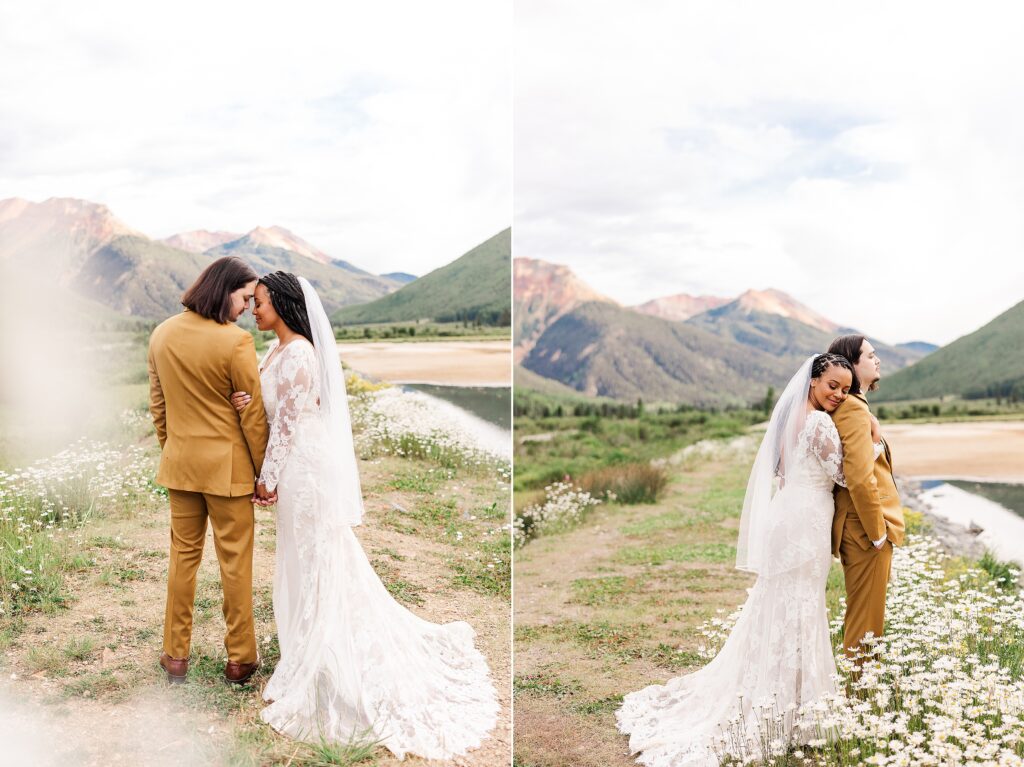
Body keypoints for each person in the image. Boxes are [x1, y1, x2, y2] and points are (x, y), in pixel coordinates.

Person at [231, 271, 498, 760]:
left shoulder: (300, 354)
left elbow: (287, 427)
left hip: (302, 471)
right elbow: (273, 410)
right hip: (293, 469)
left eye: (262, 302)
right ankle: (306, 646)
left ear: (285, 306)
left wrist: (266, 479)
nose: (254, 308)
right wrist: (245, 402)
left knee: (316, 559)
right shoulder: (275, 352)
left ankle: (324, 658)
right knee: (303, 557)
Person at [616, 353, 857, 766]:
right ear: (814, 380)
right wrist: (870, 433)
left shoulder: (789, 417)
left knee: (779, 602)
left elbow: (785, 471)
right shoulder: (817, 422)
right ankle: (795, 710)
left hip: (788, 513)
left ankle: (779, 698)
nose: (838, 394)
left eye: (846, 390)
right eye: (832, 385)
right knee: (800, 603)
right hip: (807, 521)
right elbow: (845, 474)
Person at [147, 256, 269, 685]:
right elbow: (252, 417)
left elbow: (158, 407)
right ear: (224, 290)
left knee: (183, 560)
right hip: (230, 471)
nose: (246, 309)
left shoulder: (161, 334)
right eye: (243, 298)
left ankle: (175, 656)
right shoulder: (235, 342)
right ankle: (240, 659)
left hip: (179, 466)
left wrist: (175, 451)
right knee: (235, 564)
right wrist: (263, 471)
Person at [826, 335, 905, 657]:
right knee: (866, 623)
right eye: (871, 356)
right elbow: (858, 477)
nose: (878, 360)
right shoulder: (853, 410)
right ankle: (858, 698)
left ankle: (859, 694)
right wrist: (877, 533)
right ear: (852, 364)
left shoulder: (854, 408)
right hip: (864, 529)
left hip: (860, 526)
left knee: (869, 619)